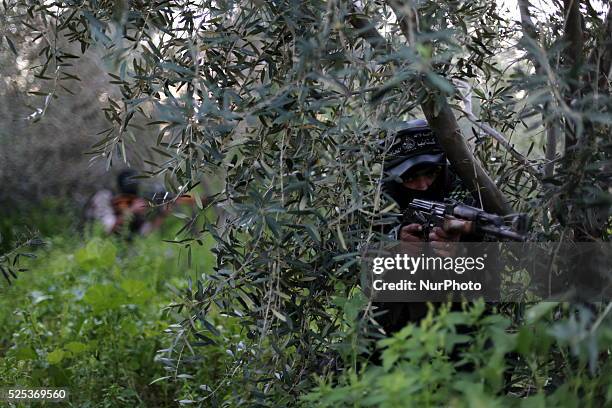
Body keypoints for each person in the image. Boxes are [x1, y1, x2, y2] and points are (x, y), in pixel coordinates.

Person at [374, 118, 481, 333]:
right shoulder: (379, 198)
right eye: (410, 178)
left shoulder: (459, 184)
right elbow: (355, 252)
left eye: (431, 173)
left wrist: (459, 248)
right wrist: (395, 245)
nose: (423, 186)